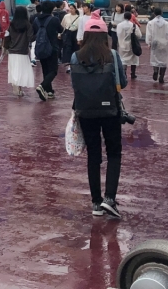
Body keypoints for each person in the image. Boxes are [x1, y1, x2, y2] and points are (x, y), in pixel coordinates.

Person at [70, 17, 126, 218]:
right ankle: (109, 198)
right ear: (105, 36)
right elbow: (123, 82)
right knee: (114, 153)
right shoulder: (112, 55)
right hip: (110, 110)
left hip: (85, 111)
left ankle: (95, 202)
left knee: (93, 155)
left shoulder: (76, 56)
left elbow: (74, 84)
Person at [33, 1, 62, 101]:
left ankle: (49, 91)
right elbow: (60, 30)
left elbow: (34, 31)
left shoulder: (36, 19)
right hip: (52, 47)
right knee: (53, 70)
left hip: (40, 47)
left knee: (45, 70)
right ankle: (42, 86)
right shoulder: (54, 19)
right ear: (51, 9)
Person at [5, 6, 34, 97]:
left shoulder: (12, 24)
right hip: (23, 51)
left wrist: (6, 47)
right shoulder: (27, 24)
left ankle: (16, 86)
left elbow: (7, 37)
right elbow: (30, 38)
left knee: (14, 69)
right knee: (22, 70)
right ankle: (20, 88)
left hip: (12, 50)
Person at [145, 7, 168, 83]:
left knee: (155, 58)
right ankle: (162, 75)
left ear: (154, 13)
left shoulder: (150, 23)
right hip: (164, 43)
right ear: (161, 13)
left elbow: (149, 34)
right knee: (164, 59)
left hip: (155, 42)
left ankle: (156, 70)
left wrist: (148, 43)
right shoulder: (166, 23)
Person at [116, 11, 142, 80]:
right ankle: (133, 73)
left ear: (124, 17)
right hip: (131, 45)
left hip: (122, 44)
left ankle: (124, 72)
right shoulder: (133, 25)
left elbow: (117, 34)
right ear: (130, 17)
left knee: (123, 60)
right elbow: (139, 35)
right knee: (133, 60)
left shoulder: (119, 25)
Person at [60, 3, 80, 73]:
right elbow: (62, 26)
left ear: (75, 9)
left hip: (75, 34)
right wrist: (60, 34)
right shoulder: (66, 16)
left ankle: (73, 64)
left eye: (72, 8)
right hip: (67, 33)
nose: (71, 10)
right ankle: (69, 65)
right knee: (67, 49)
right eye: (70, 8)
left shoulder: (79, 17)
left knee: (75, 49)